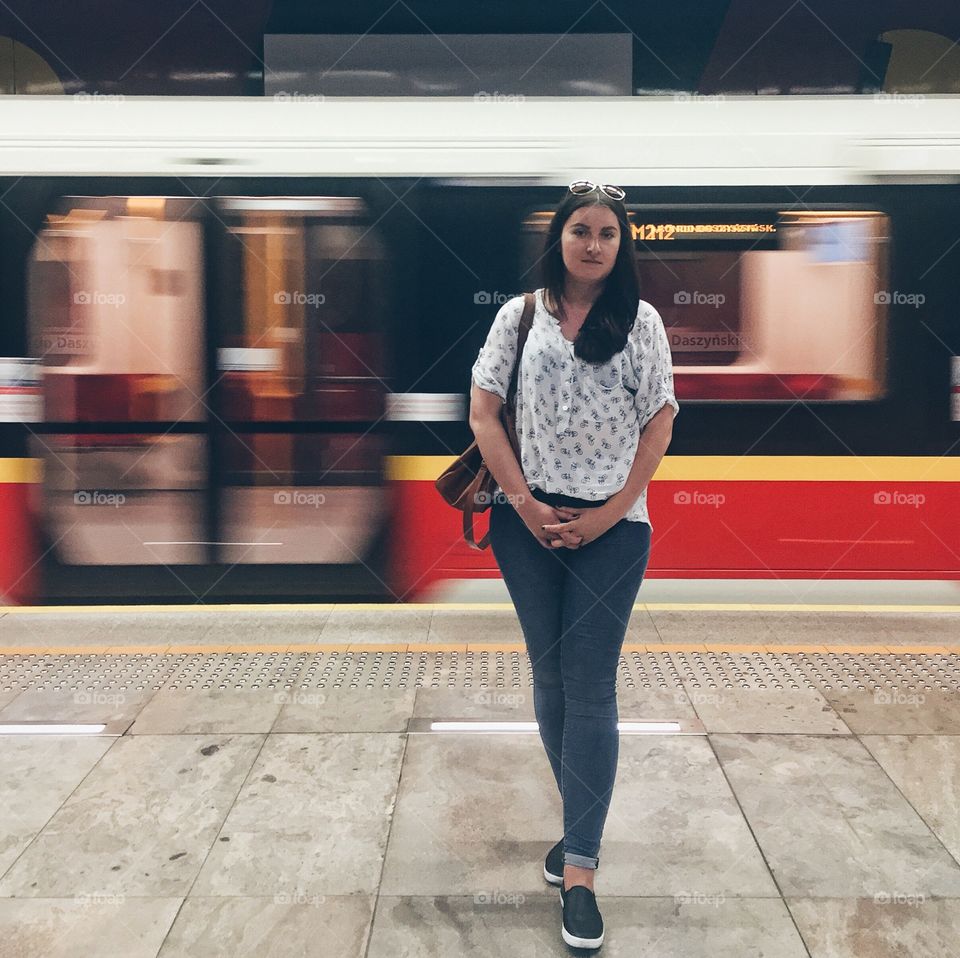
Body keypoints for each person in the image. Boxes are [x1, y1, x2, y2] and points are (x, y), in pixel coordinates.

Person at [468, 181, 679, 950]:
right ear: (559, 237)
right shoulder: (519, 316)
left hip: (613, 530)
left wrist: (610, 512)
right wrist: (523, 505)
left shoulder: (642, 323)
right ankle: (578, 823)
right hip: (526, 525)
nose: (593, 244)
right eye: (580, 230)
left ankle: (581, 869)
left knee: (590, 685)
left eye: (608, 234)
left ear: (622, 247)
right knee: (550, 675)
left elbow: (659, 423)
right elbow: (483, 412)